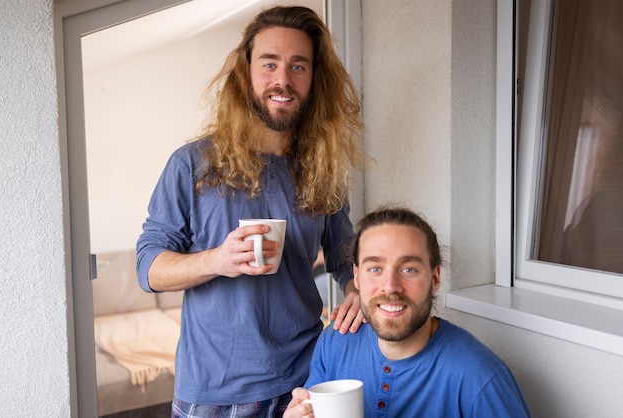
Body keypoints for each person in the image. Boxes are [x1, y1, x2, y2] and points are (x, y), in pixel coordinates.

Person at [136, 6, 365, 418]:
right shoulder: (192, 164)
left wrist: (357, 291)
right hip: (213, 392)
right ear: (246, 72)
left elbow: (344, 254)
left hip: (306, 379)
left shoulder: (322, 168)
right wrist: (218, 260)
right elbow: (149, 267)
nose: (283, 80)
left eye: (299, 66)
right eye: (270, 64)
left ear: (315, 79)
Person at [284, 206, 532, 418]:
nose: (390, 287)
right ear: (356, 276)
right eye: (375, 269)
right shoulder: (334, 343)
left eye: (408, 270)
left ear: (435, 278)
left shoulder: (480, 378)